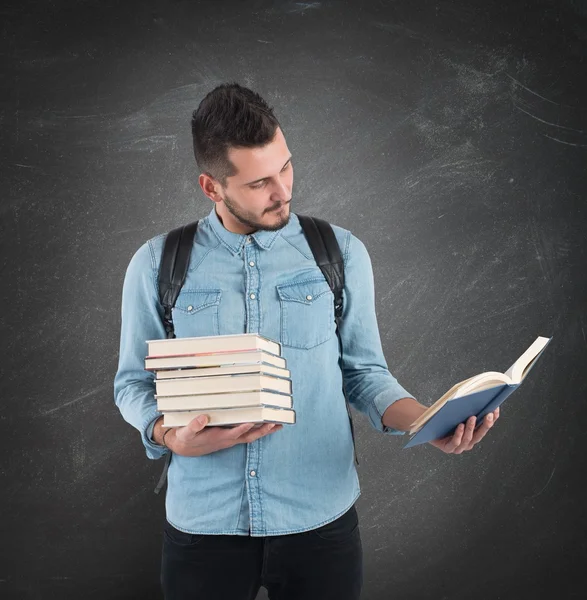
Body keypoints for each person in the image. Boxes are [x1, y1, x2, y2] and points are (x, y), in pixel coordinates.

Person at [113, 82, 499, 600]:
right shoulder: (158, 264)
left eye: (286, 167)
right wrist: (166, 435)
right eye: (259, 183)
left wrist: (430, 422)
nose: (283, 191)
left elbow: (365, 375)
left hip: (321, 523)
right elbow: (133, 383)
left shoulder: (340, 254)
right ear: (212, 187)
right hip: (203, 525)